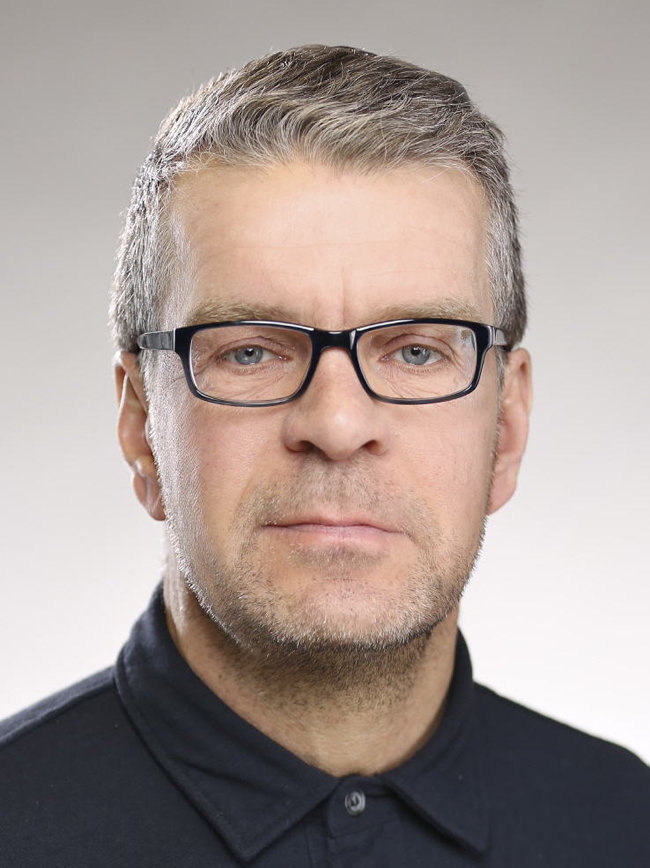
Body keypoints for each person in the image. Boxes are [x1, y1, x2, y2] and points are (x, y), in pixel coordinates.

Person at [1, 44, 648, 867]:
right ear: (140, 427)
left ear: (507, 427)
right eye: (249, 351)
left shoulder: (625, 826)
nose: (338, 425)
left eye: (416, 351)